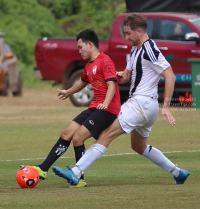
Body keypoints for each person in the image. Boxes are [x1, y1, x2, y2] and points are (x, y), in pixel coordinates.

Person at [52, 13, 189, 185]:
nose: (126, 37)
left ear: (139, 31)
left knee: (105, 135)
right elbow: (126, 76)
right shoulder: (134, 49)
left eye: (129, 33)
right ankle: (178, 172)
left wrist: (167, 107)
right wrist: (118, 76)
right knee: (138, 146)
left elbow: (170, 76)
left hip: (141, 104)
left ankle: (76, 171)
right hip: (146, 107)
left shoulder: (150, 49)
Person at [29, 29, 121, 188]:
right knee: (67, 133)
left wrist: (106, 102)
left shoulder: (105, 61)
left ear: (90, 44)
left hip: (108, 109)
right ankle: (43, 169)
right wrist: (68, 91)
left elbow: (112, 85)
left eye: (80, 47)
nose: (79, 50)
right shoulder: (88, 65)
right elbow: (82, 82)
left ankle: (79, 178)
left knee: (78, 138)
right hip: (95, 107)